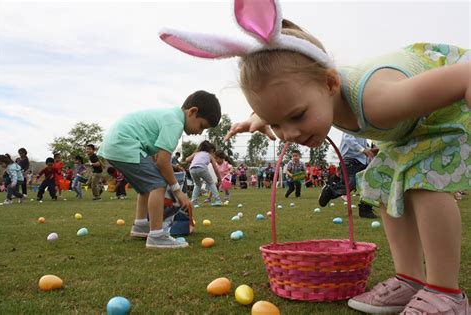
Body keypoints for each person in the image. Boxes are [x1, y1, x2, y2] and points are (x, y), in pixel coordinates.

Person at [161, 1, 470, 312]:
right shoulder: (311, 93)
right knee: (383, 180)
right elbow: (280, 109)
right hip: (412, 126)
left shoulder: (379, 100)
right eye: (277, 123)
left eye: (296, 116)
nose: (290, 133)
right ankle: (409, 279)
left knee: (420, 179)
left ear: (331, 83)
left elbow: (464, 76)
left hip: (453, 107)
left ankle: (445, 292)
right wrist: (260, 120)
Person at [98, 90, 221, 249]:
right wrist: (178, 191)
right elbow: (163, 162)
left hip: (115, 145)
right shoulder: (174, 123)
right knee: (158, 184)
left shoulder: (169, 116)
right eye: (202, 126)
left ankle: (141, 225)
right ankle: (157, 235)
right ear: (192, 112)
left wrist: (168, 166)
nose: (199, 132)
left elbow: (158, 158)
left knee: (146, 188)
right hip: (124, 144)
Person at [319, 133, 378, 219]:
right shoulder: (350, 124)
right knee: (350, 184)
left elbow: (362, 145)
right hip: (349, 160)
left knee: (369, 183)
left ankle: (365, 209)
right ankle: (330, 191)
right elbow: (348, 139)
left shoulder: (363, 128)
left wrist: (369, 150)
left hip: (362, 161)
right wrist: (363, 150)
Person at [186, 140, 223, 208]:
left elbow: (187, 160)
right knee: (211, 183)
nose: (214, 154)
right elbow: (216, 169)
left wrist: (194, 157)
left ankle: (194, 202)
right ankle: (217, 200)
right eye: (213, 152)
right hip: (202, 168)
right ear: (211, 150)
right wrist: (219, 179)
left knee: (197, 185)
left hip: (192, 169)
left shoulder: (196, 153)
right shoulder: (209, 155)